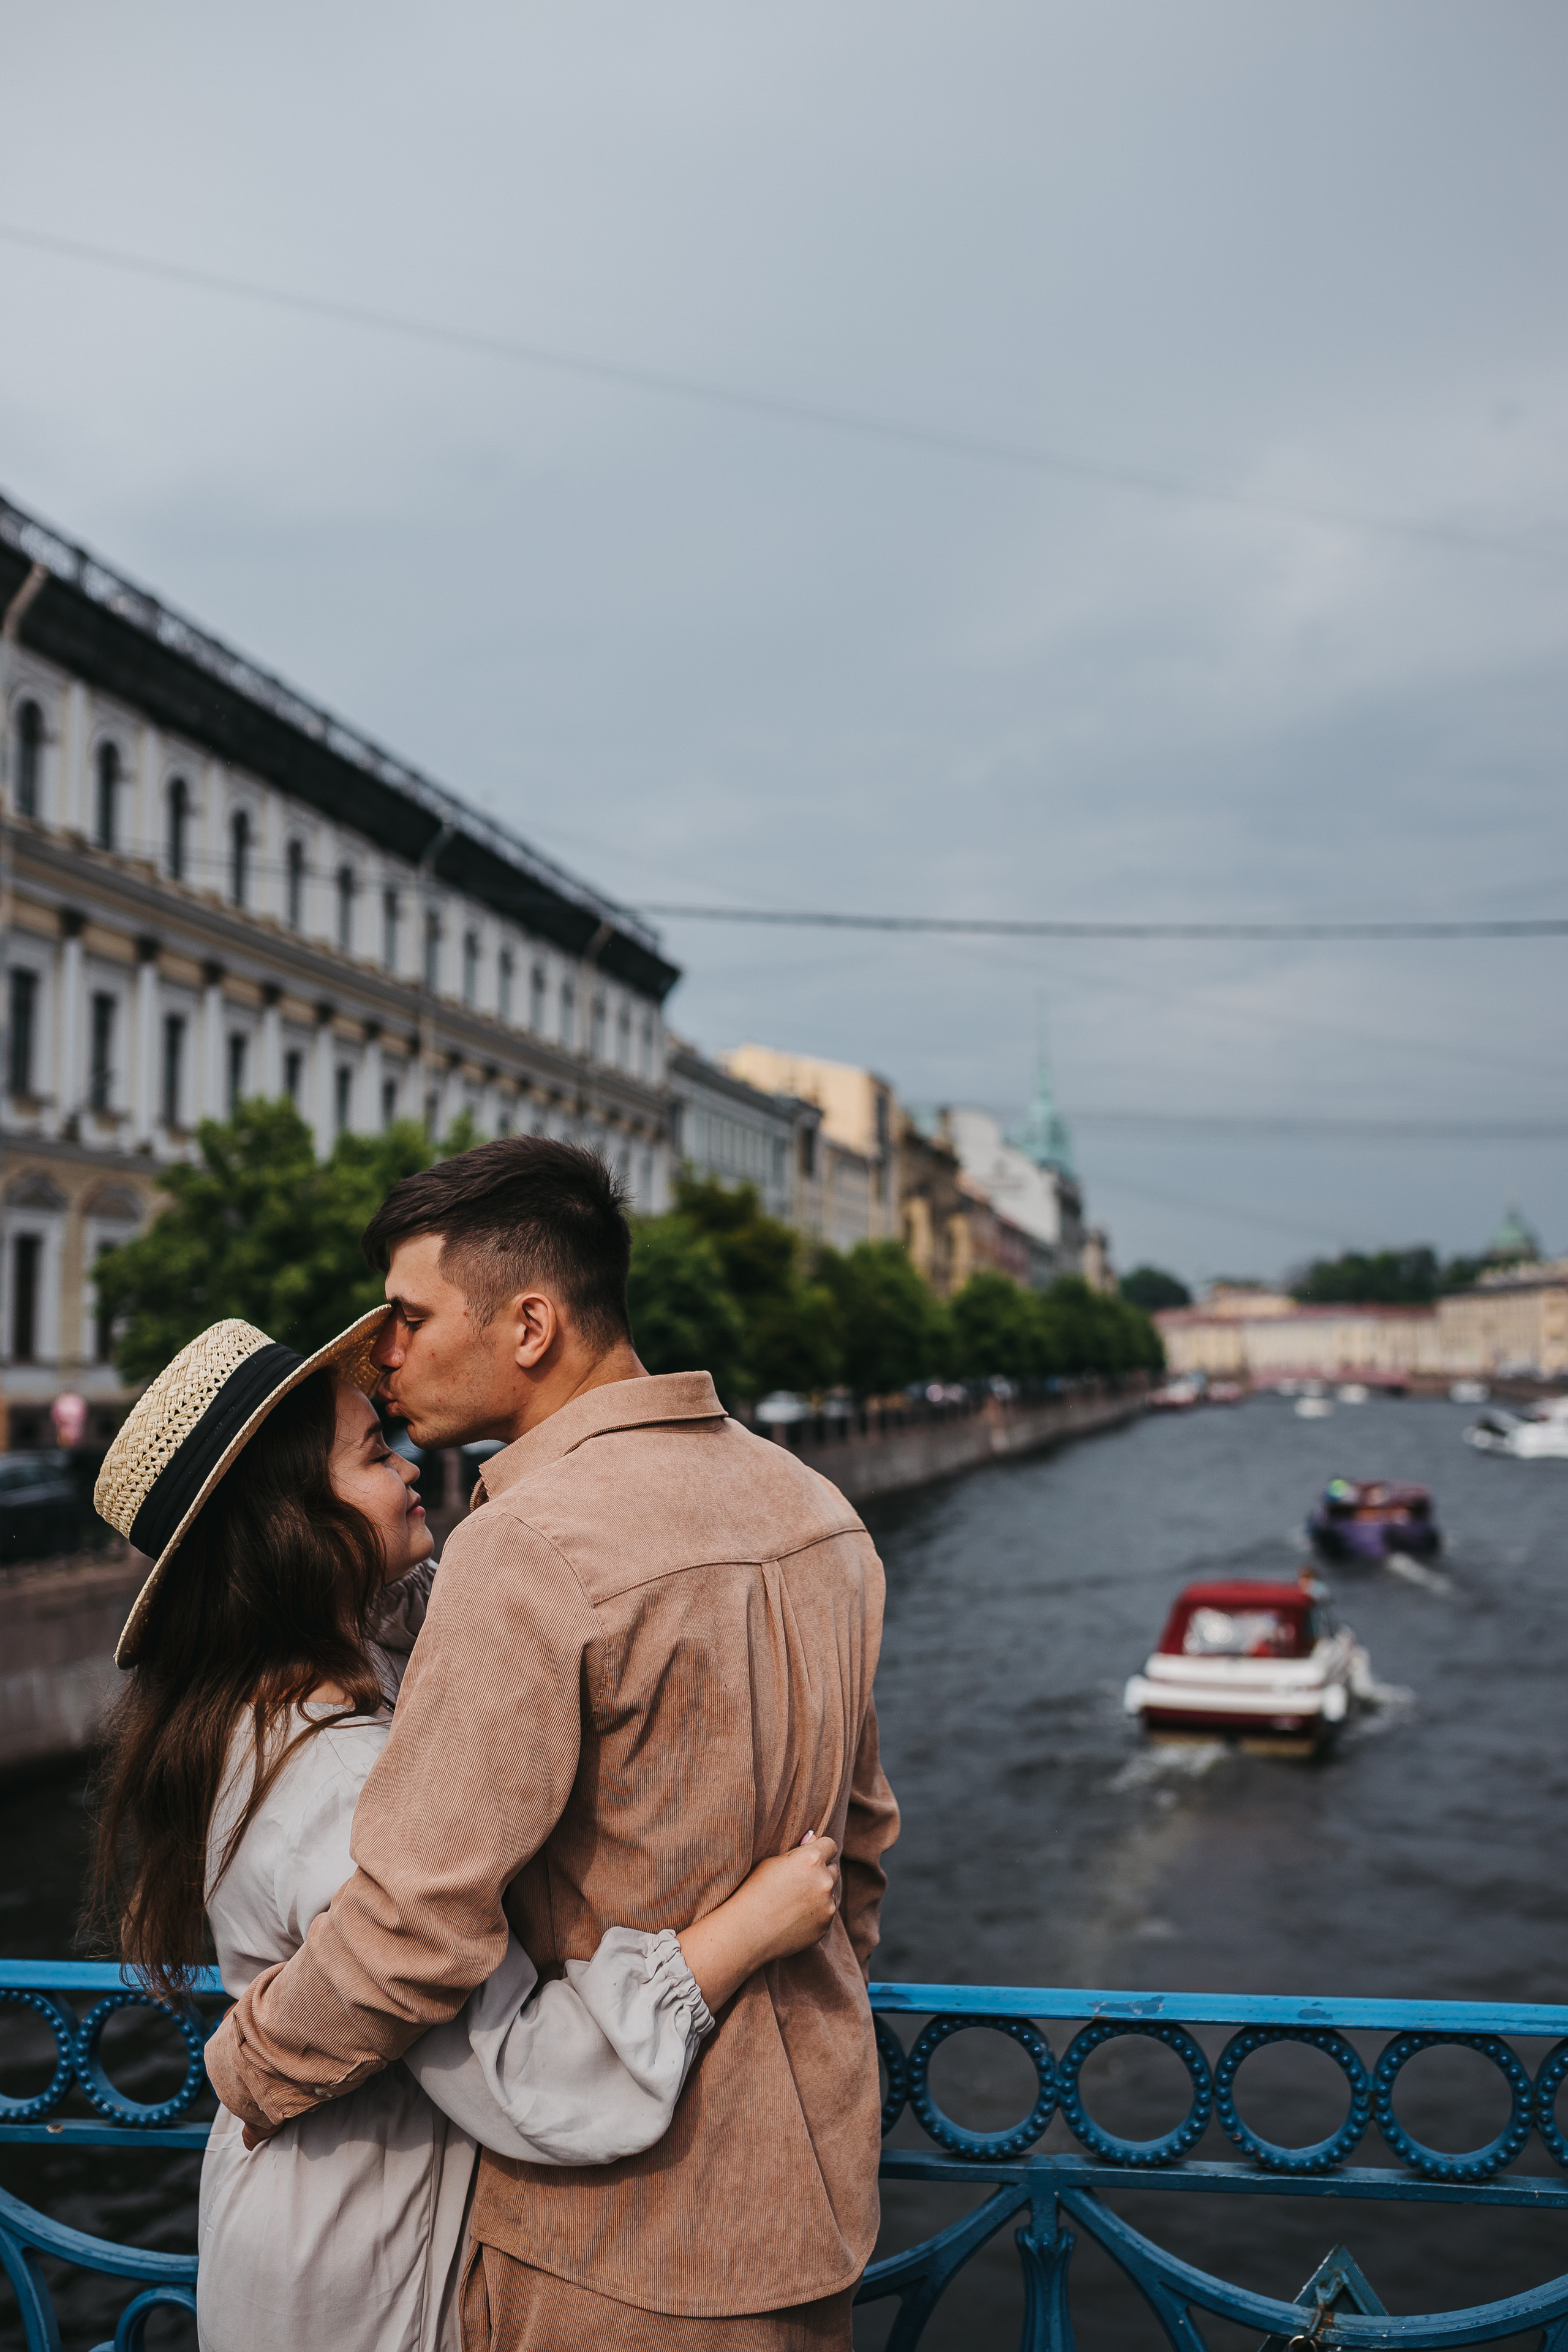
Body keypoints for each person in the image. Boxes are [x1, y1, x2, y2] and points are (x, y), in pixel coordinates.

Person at [202, 1137, 900, 2350]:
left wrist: (254, 2064)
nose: (386, 1351)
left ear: (530, 1326)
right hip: (812, 2198)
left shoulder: (527, 1543)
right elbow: (865, 1851)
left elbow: (418, 1926)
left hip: (602, 2230)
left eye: (411, 1318)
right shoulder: (817, 1512)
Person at [91, 1308, 846, 2352]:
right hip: (354, 2259)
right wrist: (746, 1930)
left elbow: (453, 1618)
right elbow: (527, 2076)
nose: (408, 1463)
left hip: (343, 2203)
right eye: (371, 1452)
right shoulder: (337, 1776)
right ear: (293, 1526)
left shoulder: (288, 1695)